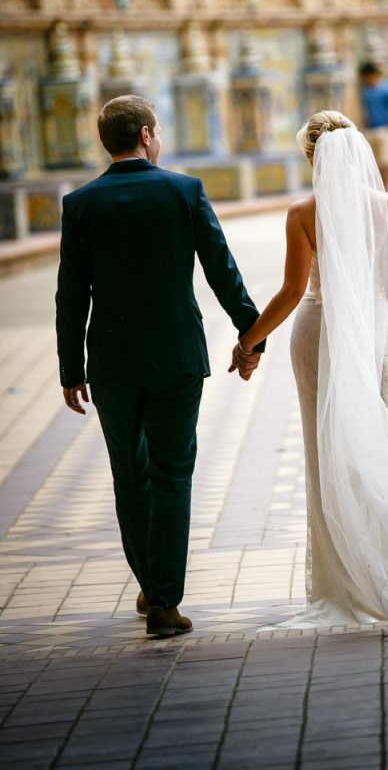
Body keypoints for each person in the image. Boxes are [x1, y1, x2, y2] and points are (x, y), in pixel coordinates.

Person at [236, 110, 388, 634]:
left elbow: (293, 292)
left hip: (317, 335)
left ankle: (343, 579)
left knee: (327, 453)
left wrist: (248, 340)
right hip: (373, 336)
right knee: (378, 451)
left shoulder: (301, 212)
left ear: (313, 159)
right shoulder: (387, 207)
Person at [55, 95, 265, 639]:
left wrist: (69, 368)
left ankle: (150, 582)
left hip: (112, 363)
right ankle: (166, 601)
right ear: (147, 134)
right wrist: (252, 334)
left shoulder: (80, 203)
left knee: (130, 474)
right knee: (172, 474)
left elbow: (70, 294)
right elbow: (222, 268)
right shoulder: (183, 190)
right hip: (176, 356)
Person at [358, 61, 388, 191]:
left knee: (386, 162)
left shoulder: (387, 88)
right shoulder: (363, 91)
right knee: (373, 163)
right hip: (369, 130)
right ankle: (378, 189)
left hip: (384, 129)